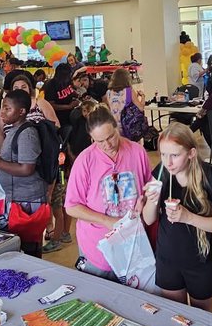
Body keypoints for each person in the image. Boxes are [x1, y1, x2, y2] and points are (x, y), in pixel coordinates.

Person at [64, 106, 152, 281]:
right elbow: (72, 207)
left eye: (111, 136)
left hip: (133, 241)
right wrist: (106, 220)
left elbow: (147, 186)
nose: (107, 145)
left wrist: (146, 200)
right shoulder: (85, 160)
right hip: (97, 246)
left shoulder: (136, 151)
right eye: (99, 141)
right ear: (91, 139)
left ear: (116, 127)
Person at [143, 124, 212, 310]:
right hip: (168, 259)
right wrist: (151, 200)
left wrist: (188, 217)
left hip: (201, 261)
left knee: (201, 317)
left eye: (174, 155)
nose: (168, 162)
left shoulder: (210, 176)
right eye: (163, 154)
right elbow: (148, 219)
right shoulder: (161, 173)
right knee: (176, 315)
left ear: (191, 153)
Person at [0, 89, 49, 256]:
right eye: (2, 108)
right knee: (14, 244)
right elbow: (9, 156)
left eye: (7, 108)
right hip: (15, 197)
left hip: (26, 200)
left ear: (21, 112)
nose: (2, 112)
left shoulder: (27, 134)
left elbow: (26, 168)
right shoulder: (13, 129)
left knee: (28, 248)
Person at [104, 67, 148, 139]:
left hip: (114, 126)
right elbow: (141, 108)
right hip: (128, 126)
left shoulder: (108, 93)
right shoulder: (128, 91)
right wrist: (143, 96)